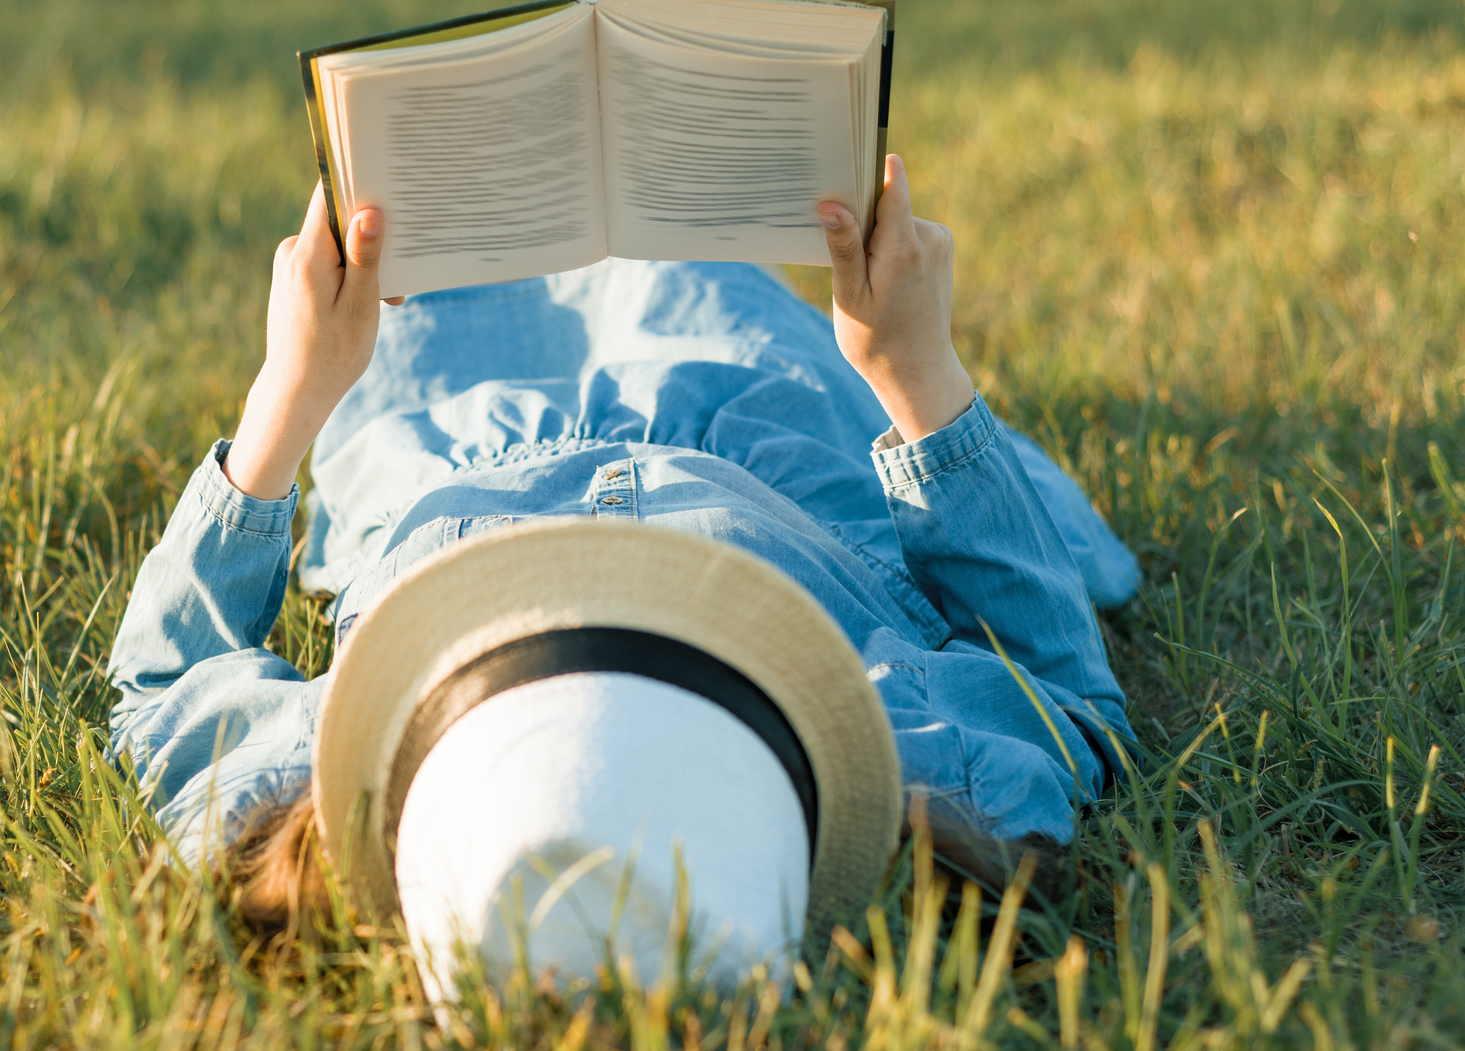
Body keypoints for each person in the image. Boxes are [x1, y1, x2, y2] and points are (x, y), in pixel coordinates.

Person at [107, 158, 1138, 1000]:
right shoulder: (933, 771)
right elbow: (1060, 687)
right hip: (760, 415)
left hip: (444, 425)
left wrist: (291, 387)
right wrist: (914, 366)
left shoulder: (313, 792)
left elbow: (166, 680)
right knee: (685, 249)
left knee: (441, 253)